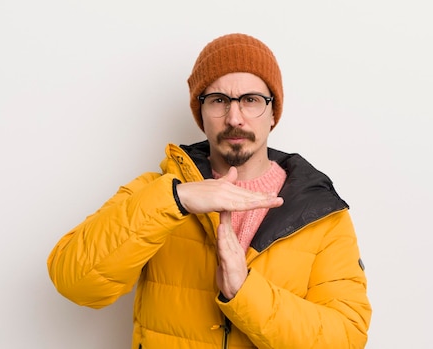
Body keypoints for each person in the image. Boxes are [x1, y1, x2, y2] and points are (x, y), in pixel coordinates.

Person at [47, 33, 371, 349]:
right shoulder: (155, 192)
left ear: (273, 113)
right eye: (218, 100)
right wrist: (176, 199)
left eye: (251, 100)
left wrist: (244, 291)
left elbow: (346, 338)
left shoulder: (321, 213)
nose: (234, 117)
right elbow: (76, 282)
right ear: (199, 112)